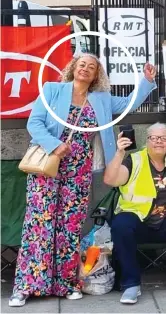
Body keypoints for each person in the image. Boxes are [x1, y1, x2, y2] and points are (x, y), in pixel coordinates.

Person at [9, 53, 156, 307]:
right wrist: (55, 146)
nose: (86, 69)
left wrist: (145, 81)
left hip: (79, 169)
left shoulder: (101, 99)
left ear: (97, 74)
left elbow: (130, 103)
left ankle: (66, 283)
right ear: (73, 68)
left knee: (70, 225)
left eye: (92, 67)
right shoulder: (53, 89)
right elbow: (35, 123)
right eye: (82, 64)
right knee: (39, 224)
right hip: (47, 166)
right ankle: (26, 286)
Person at [104, 122, 166, 304]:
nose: (158, 142)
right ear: (147, 140)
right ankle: (131, 284)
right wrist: (119, 153)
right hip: (139, 221)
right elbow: (110, 180)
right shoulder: (135, 160)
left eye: (163, 138)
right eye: (154, 138)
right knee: (121, 225)